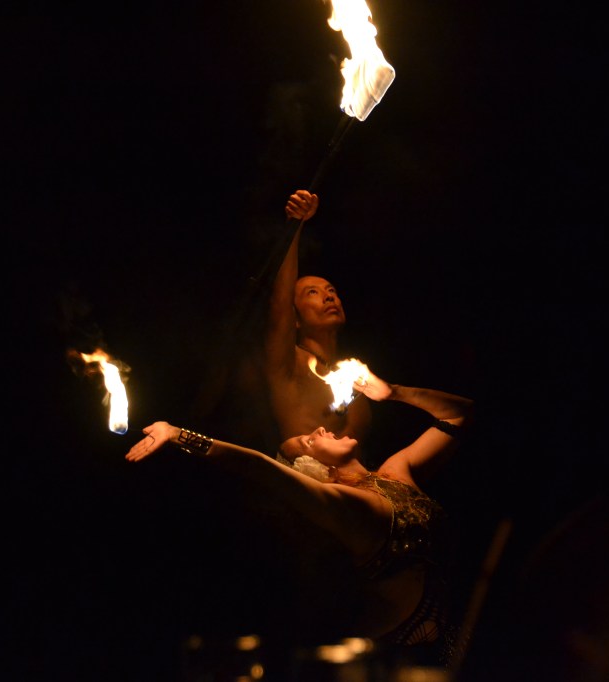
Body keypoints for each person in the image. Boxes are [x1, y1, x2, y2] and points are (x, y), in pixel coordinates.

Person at [125, 367, 474, 667]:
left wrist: (393, 392)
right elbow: (257, 465)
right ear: (314, 468)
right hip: (406, 652)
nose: (319, 429)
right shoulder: (343, 505)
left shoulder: (395, 473)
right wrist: (178, 434)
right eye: (308, 441)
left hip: (460, 630)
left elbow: (460, 414)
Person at [265, 189, 373, 463]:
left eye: (331, 290)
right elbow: (281, 300)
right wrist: (295, 226)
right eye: (312, 292)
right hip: (303, 480)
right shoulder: (288, 363)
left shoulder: (355, 376)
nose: (328, 296)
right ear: (295, 318)